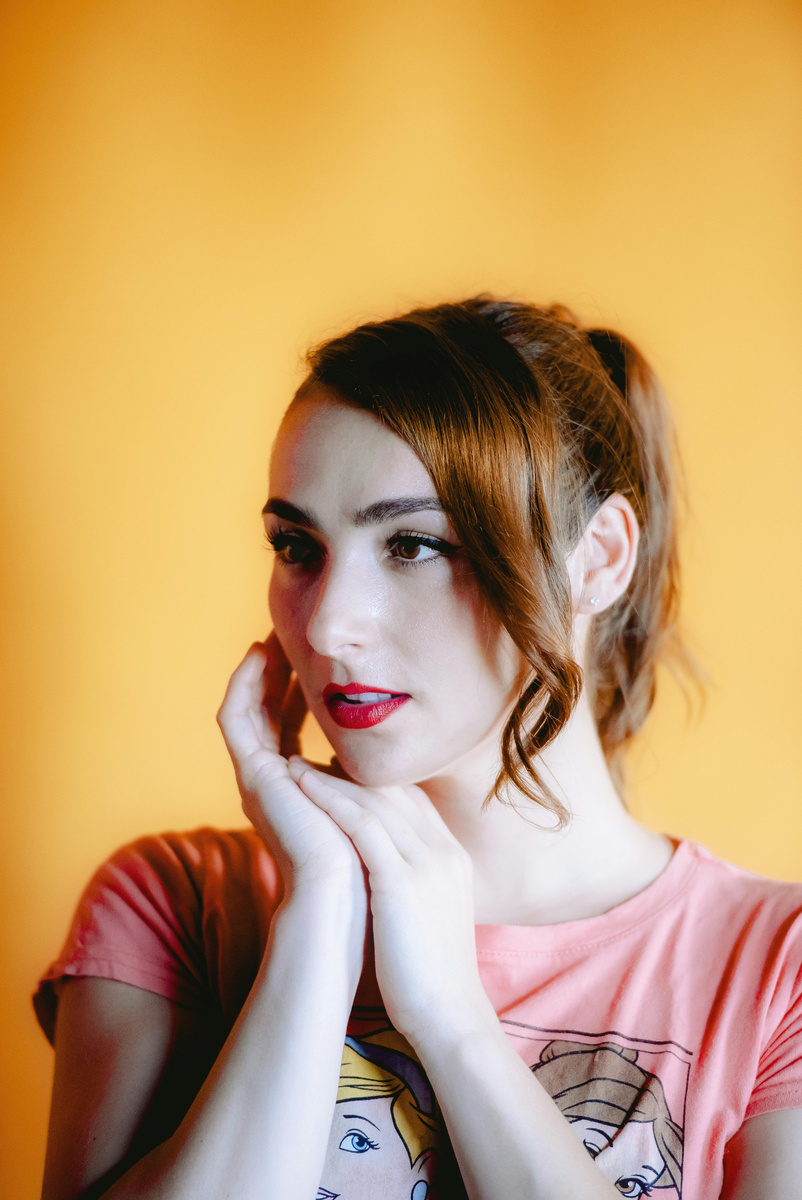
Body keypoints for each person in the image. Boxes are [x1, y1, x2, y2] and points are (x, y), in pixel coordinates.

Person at [35, 297, 802, 1200]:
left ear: (598, 557)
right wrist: (320, 917)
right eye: (297, 545)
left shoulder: (774, 972)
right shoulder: (180, 907)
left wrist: (452, 1020)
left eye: (413, 544)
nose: (328, 625)